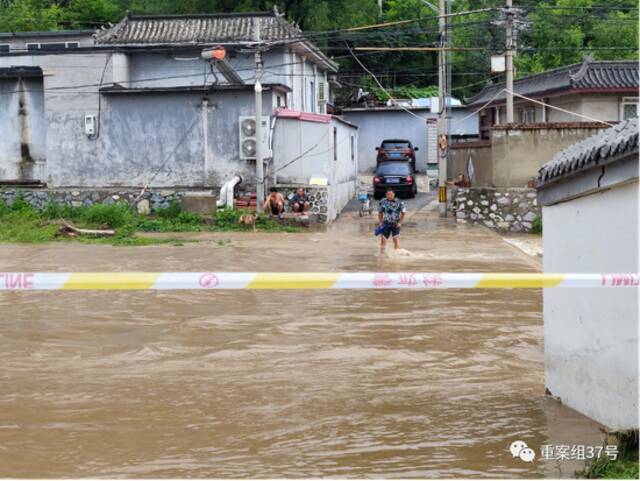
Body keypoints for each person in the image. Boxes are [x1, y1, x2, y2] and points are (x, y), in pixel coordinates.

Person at [376, 188, 406, 254]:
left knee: (395, 239)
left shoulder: (399, 202)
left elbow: (403, 213)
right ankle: (382, 254)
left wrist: (400, 223)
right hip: (386, 223)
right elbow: (380, 213)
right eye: (388, 194)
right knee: (383, 240)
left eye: (391, 194)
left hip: (396, 224)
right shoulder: (382, 201)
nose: (389, 196)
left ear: (394, 194)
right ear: (386, 195)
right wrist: (380, 222)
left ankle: (397, 254)